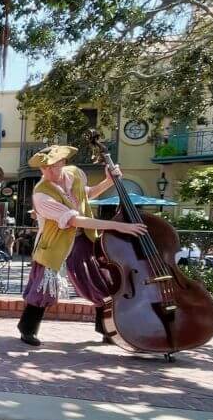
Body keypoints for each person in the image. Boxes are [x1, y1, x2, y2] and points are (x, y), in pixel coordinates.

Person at [16, 145, 147, 348]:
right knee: (43, 287)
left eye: (52, 166)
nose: (48, 171)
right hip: (54, 243)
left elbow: (87, 195)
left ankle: (107, 330)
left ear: (62, 163)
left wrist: (108, 181)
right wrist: (116, 226)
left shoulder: (75, 174)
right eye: (44, 168)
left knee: (99, 282)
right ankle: (27, 328)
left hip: (82, 239)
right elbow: (75, 220)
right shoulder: (41, 194)